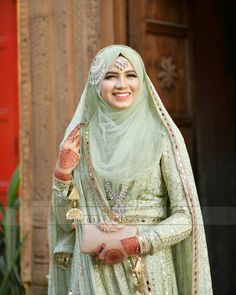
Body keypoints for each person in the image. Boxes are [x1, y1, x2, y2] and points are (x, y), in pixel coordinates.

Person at [48, 45, 212, 295]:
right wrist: (61, 174)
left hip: (146, 273)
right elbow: (65, 223)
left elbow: (185, 218)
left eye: (131, 75)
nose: (121, 85)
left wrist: (135, 244)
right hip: (92, 275)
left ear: (142, 81)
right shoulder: (79, 140)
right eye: (110, 76)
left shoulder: (162, 137)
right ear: (96, 83)